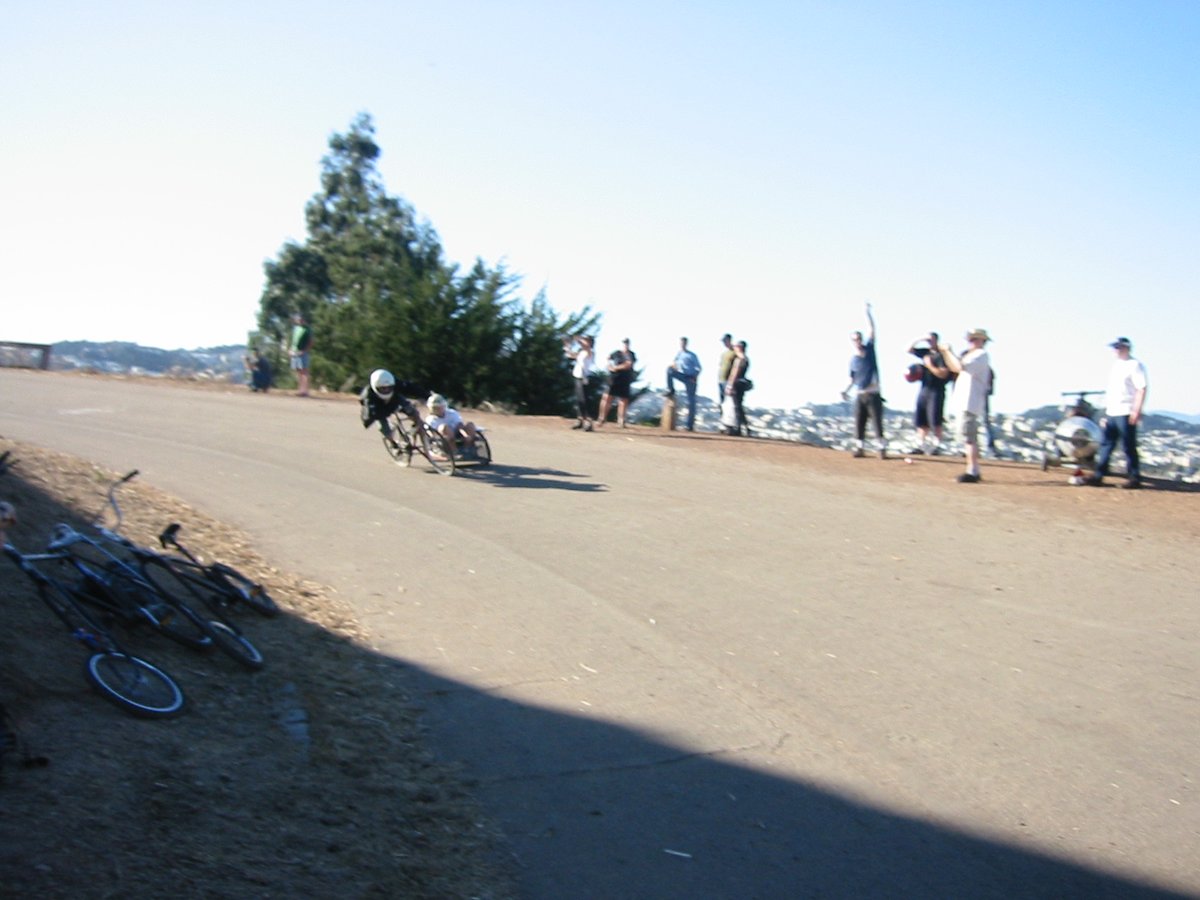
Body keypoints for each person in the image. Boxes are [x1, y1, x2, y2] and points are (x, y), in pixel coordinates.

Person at [1086, 337, 1148, 489]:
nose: (1115, 350)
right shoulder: (1117, 366)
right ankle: (1099, 475)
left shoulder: (1134, 365)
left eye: (1118, 347)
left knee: (1128, 445)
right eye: (1115, 347)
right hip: (1113, 411)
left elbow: (1141, 388)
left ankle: (1134, 477)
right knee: (1106, 444)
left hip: (1126, 410)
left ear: (1126, 348)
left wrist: (1136, 410)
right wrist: (1106, 413)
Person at [940, 329, 993, 483]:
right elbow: (954, 366)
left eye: (975, 339)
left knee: (969, 437)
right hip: (965, 401)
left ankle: (973, 470)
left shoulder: (980, 355)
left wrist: (948, 351)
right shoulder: (972, 356)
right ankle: (972, 468)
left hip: (970, 401)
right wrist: (946, 353)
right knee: (967, 437)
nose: (972, 342)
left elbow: (958, 367)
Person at [841, 302, 886, 459]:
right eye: (854, 339)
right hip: (859, 394)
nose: (857, 341)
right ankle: (859, 448)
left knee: (877, 423)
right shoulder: (853, 360)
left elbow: (872, 330)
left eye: (859, 338)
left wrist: (867, 313)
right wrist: (845, 391)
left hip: (873, 393)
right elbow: (852, 379)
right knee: (859, 423)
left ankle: (881, 448)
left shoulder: (870, 351)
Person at [360, 368, 424, 466]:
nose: (386, 390)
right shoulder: (368, 397)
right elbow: (368, 415)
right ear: (375, 387)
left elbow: (410, 387)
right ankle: (393, 444)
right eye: (382, 388)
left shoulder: (396, 383)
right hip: (379, 410)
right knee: (384, 428)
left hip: (395, 400)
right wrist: (369, 420)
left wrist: (426, 395)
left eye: (389, 387)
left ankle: (416, 429)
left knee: (414, 412)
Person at [907, 332, 950, 454]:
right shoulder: (926, 353)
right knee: (921, 419)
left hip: (937, 390)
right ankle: (920, 445)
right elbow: (908, 349)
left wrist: (930, 366)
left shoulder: (942, 355)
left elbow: (943, 373)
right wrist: (919, 338)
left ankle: (936, 446)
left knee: (935, 419)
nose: (929, 342)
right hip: (924, 389)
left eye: (931, 340)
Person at [597, 338, 637, 428]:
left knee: (623, 400)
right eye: (624, 343)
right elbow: (608, 359)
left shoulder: (632, 354)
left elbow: (629, 365)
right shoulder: (616, 353)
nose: (625, 345)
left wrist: (616, 368)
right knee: (607, 398)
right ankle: (602, 418)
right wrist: (609, 366)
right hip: (614, 378)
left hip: (625, 379)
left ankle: (621, 420)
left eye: (627, 343)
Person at [665, 336, 703, 431]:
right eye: (681, 343)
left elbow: (699, 368)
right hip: (682, 374)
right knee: (669, 370)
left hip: (690, 377)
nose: (683, 344)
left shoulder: (692, 355)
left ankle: (689, 425)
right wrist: (673, 366)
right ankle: (671, 389)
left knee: (691, 401)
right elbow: (674, 363)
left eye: (684, 343)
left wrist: (694, 377)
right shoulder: (679, 354)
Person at [425, 393, 479, 458]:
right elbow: (430, 433)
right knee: (444, 427)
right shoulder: (430, 419)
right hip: (443, 439)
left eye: (439, 407)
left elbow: (459, 426)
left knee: (470, 425)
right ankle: (454, 452)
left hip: (457, 434)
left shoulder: (452, 413)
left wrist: (465, 435)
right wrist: (438, 439)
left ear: (443, 406)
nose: (437, 409)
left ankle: (467, 449)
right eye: (434, 408)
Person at [563, 335, 595, 431]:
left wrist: (577, 339)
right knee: (578, 400)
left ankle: (588, 422)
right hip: (577, 376)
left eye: (586, 341)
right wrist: (567, 347)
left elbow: (584, 346)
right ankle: (580, 420)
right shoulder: (581, 352)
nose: (584, 342)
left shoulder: (590, 352)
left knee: (584, 400)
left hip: (584, 378)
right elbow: (571, 355)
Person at [724, 340, 752, 436]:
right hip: (741, 384)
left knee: (736, 406)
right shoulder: (746, 359)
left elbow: (734, 373)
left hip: (736, 384)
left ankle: (738, 427)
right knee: (739, 406)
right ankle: (744, 426)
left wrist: (730, 385)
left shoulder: (739, 360)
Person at [289, 313, 313, 397]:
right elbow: (294, 341)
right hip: (295, 352)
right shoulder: (296, 328)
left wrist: (304, 351)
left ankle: (305, 391)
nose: (299, 321)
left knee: (304, 372)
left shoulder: (307, 329)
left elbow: (311, 342)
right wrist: (291, 350)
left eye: (300, 319)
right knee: (298, 371)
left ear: (303, 319)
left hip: (302, 352)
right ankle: (300, 390)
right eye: (297, 319)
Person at [717, 333, 736, 406]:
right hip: (721, 379)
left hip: (729, 380)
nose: (724, 343)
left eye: (725, 341)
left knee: (730, 401)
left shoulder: (735, 352)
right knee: (722, 401)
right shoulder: (724, 354)